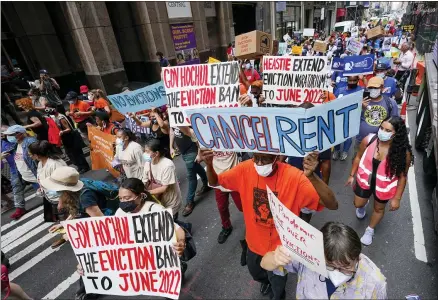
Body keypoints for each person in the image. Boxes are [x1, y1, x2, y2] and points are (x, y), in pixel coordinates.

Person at [199, 149, 338, 300]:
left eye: (265, 159)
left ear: (277, 157)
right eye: (256, 158)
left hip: (280, 252)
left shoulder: (294, 177)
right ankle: (266, 282)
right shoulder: (245, 169)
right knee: (256, 273)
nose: (259, 163)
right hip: (253, 245)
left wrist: (312, 177)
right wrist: (209, 165)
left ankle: (278, 294)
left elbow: (332, 204)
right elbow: (215, 182)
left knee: (278, 284)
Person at [260, 222, 387, 299]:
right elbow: (264, 263)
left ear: (357, 257)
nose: (337, 273)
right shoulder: (308, 256)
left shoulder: (374, 282)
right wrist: (275, 258)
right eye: (330, 266)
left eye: (346, 268)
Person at [40, 166, 108, 300]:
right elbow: (78, 211)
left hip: (96, 233)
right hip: (87, 228)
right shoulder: (76, 190)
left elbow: (102, 223)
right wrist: (64, 223)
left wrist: (72, 234)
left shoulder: (85, 197)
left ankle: (88, 291)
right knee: (87, 264)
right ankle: (87, 290)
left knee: (88, 263)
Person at [346, 116, 412, 245]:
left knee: (378, 209)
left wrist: (397, 198)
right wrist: (351, 175)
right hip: (364, 181)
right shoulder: (369, 140)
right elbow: (358, 157)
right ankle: (363, 206)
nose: (382, 132)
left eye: (388, 130)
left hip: (383, 187)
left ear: (396, 134)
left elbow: (403, 176)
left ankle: (370, 230)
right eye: (381, 128)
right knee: (358, 204)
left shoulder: (403, 153)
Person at [287, 102, 332, 223]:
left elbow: (326, 164)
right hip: (291, 180)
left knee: (306, 211)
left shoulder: (321, 137)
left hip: (310, 181)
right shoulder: (289, 132)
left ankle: (303, 226)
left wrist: (323, 188)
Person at [28, 140, 67, 248]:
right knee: (61, 218)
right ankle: (66, 235)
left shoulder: (55, 164)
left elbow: (64, 185)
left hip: (62, 198)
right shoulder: (41, 162)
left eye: (30, 154)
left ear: (37, 155)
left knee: (68, 218)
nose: (29, 155)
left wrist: (61, 201)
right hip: (51, 197)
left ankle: (72, 237)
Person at [170, 126, 210, 217]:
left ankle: (189, 201)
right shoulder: (173, 117)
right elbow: (172, 132)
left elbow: (197, 137)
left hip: (191, 151)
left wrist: (199, 153)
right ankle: (207, 183)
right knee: (195, 167)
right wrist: (171, 147)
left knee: (191, 175)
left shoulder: (186, 120)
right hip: (184, 152)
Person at [3, 125, 39, 219]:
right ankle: (20, 208)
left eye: (10, 135)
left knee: (48, 191)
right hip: (20, 173)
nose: (8, 137)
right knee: (17, 189)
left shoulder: (30, 142)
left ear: (19, 134)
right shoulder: (16, 145)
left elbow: (39, 157)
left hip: (35, 173)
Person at [141, 139, 183, 220]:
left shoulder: (167, 165)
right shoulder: (147, 163)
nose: (144, 154)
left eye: (147, 151)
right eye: (144, 151)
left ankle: (185, 228)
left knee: (172, 223)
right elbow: (144, 181)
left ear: (156, 153)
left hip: (171, 202)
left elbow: (164, 188)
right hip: (158, 201)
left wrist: (147, 193)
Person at [356, 77, 399, 152]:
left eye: (375, 87)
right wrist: (360, 107)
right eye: (370, 87)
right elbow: (352, 119)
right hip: (361, 140)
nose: (372, 89)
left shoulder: (390, 103)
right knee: (358, 159)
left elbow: (395, 123)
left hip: (381, 142)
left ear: (382, 88)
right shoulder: (361, 100)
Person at [46, 104, 90, 173]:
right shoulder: (53, 117)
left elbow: (68, 129)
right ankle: (79, 166)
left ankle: (84, 166)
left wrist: (62, 132)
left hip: (71, 136)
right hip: (65, 138)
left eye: (50, 109)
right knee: (70, 154)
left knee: (77, 153)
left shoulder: (61, 117)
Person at [211, 150, 243, 244]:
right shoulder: (206, 139)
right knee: (222, 206)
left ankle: (254, 226)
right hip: (218, 179)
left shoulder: (231, 136)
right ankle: (226, 227)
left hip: (234, 177)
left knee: (243, 206)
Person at [333, 76, 364, 161]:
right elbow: (333, 101)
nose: (352, 82)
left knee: (348, 135)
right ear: (347, 80)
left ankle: (345, 151)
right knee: (338, 135)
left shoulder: (361, 90)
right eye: (350, 80)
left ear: (357, 80)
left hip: (352, 117)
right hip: (339, 116)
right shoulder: (340, 90)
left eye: (354, 80)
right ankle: (337, 150)